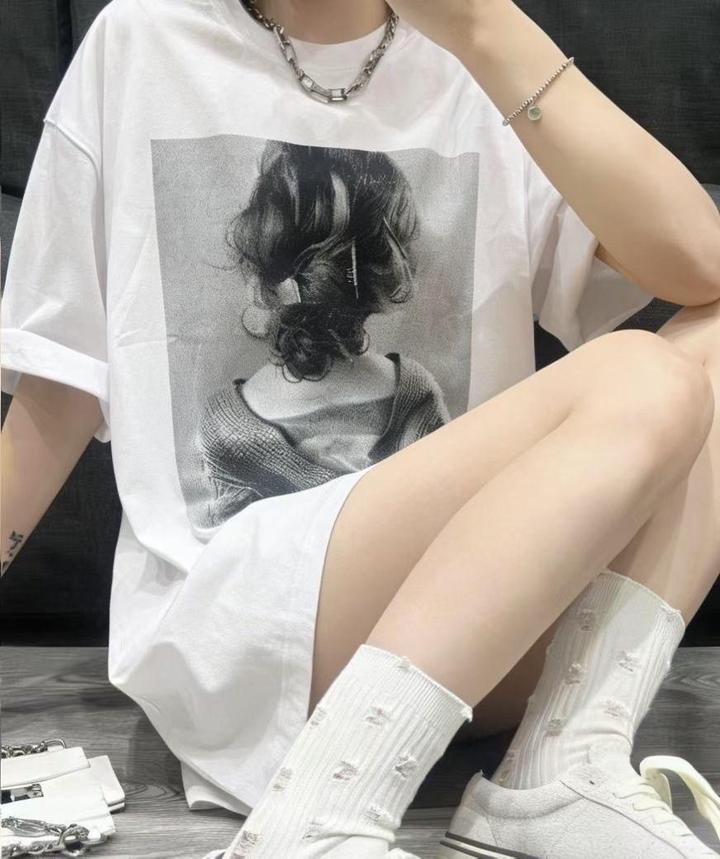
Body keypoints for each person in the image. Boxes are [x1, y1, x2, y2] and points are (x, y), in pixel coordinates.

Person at [1, 1, 719, 857]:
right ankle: (313, 819)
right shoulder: (142, 39)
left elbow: (700, 262)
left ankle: (561, 766)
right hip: (248, 630)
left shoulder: (480, 52)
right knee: (642, 375)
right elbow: (60, 389)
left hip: (477, 645)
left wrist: (484, 30)